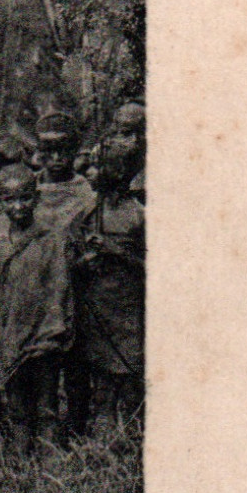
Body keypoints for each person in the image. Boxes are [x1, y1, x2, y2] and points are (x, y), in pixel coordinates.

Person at [0, 164, 73, 452]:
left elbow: (59, 287)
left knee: (46, 402)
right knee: (16, 400)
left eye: (25, 198)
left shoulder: (50, 238)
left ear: (36, 198)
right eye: (9, 200)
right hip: (9, 329)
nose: (18, 206)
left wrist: (51, 334)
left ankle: (50, 460)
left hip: (41, 331)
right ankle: (19, 459)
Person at [66, 113, 146, 435]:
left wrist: (117, 252)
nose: (99, 173)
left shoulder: (139, 215)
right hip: (95, 304)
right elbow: (70, 252)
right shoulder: (88, 211)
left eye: (110, 167)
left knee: (128, 372)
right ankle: (101, 432)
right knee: (100, 375)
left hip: (127, 307)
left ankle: (133, 430)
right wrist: (82, 260)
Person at [32, 112, 95, 231]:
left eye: (63, 151)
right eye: (49, 150)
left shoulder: (85, 194)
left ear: (74, 150)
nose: (56, 158)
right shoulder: (29, 187)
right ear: (40, 152)